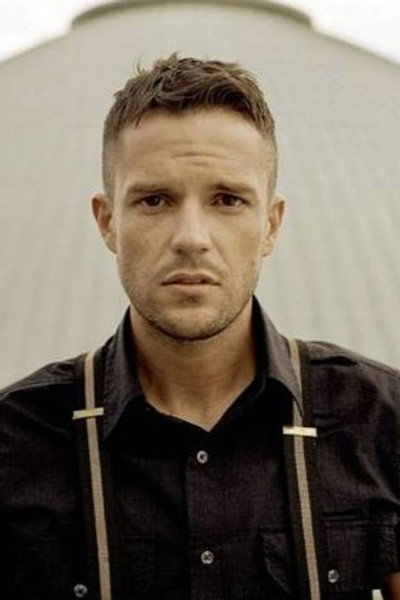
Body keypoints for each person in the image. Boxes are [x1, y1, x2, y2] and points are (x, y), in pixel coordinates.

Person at [1, 54, 400, 600]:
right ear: (107, 221)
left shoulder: (379, 421)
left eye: (227, 200)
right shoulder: (16, 440)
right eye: (155, 200)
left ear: (270, 224)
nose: (191, 237)